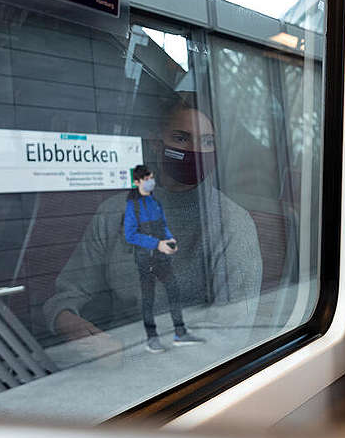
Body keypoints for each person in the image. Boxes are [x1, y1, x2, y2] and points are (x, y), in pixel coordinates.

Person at [44, 99, 263, 358]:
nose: (195, 150)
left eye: (206, 142)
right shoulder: (115, 212)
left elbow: (230, 336)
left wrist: (134, 359)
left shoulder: (231, 223)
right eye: (182, 138)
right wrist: (69, 323)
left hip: (182, 377)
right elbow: (66, 295)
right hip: (108, 362)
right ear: (155, 143)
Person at [125, 164, 204, 353]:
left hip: (162, 257)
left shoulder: (155, 202)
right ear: (137, 182)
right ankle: (152, 338)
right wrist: (156, 244)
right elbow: (130, 235)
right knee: (148, 299)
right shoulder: (132, 206)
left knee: (173, 291)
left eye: (151, 177)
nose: (150, 181)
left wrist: (170, 239)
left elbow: (164, 225)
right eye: (146, 179)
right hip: (145, 259)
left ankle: (180, 332)